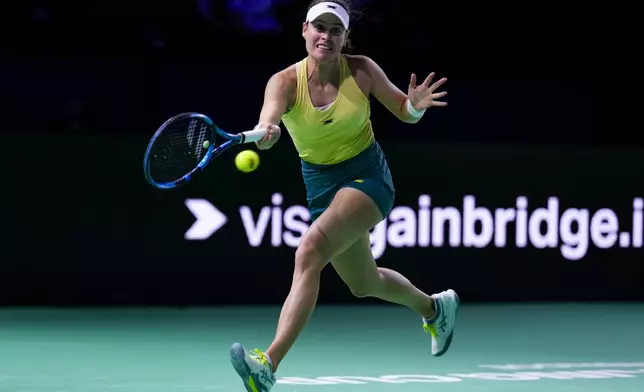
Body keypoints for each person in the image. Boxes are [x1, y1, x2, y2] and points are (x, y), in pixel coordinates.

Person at [229, 1, 459, 391]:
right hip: (321, 187)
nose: (327, 36)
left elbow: (403, 109)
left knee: (308, 252)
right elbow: (267, 123)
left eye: (336, 30)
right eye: (320, 27)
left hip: (368, 178)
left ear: (345, 38)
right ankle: (435, 309)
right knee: (364, 282)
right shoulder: (284, 83)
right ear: (304, 30)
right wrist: (267, 133)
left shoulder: (363, 69)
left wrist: (415, 107)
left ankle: (268, 362)